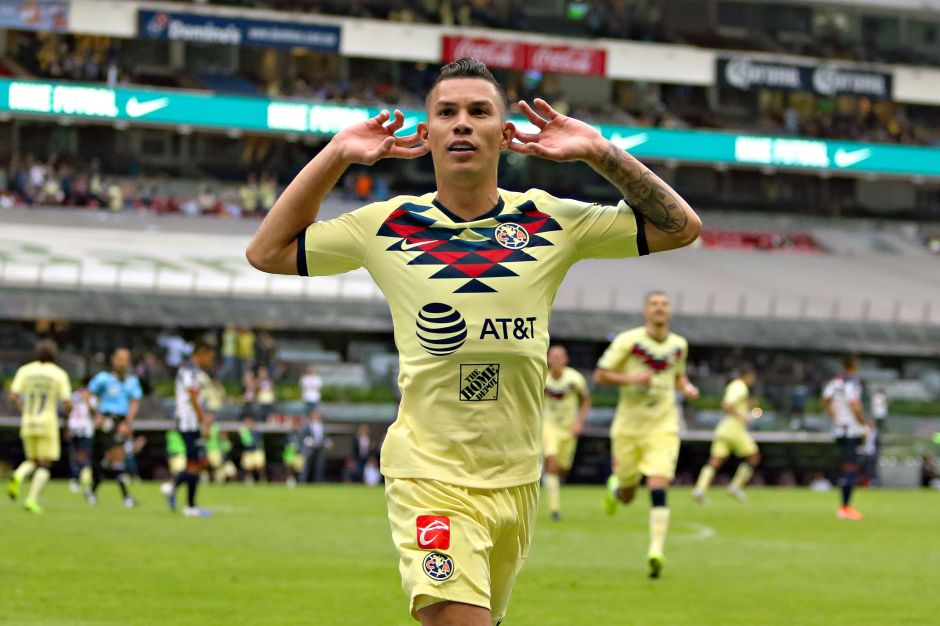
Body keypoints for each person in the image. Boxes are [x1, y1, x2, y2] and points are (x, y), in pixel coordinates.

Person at [245, 58, 700, 624]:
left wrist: (601, 153)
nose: (462, 123)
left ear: (505, 134)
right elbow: (267, 252)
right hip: (429, 474)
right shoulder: (384, 225)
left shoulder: (551, 220)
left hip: (515, 478)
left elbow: (681, 228)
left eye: (479, 111)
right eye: (447, 112)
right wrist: (336, 153)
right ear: (428, 132)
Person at [594, 291, 699, 579]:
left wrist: (686, 387)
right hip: (629, 426)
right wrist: (631, 378)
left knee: (658, 483)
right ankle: (617, 489)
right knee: (629, 493)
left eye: (664, 304)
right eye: (654, 304)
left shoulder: (679, 345)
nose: (659, 309)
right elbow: (601, 374)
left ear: (670, 311)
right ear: (645, 311)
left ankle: (656, 551)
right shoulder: (628, 341)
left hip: (663, 425)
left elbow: (678, 374)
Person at [6, 340, 72, 513]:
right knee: (44, 464)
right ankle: (31, 500)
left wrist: (23, 411)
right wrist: (67, 420)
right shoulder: (58, 374)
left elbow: (13, 396)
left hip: (28, 421)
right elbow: (67, 403)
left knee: (32, 460)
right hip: (47, 422)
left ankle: (19, 474)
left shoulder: (25, 370)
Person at [161, 341, 216, 517]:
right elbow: (193, 398)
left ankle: (176, 489)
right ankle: (186, 502)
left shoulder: (193, 370)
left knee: (199, 462)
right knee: (195, 462)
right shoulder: (190, 371)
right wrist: (204, 421)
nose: (211, 361)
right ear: (202, 353)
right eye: (210, 356)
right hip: (187, 422)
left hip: (190, 422)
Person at [693, 365, 760, 503]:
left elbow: (732, 403)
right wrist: (742, 416)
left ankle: (700, 489)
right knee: (754, 456)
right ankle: (735, 486)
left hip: (723, 429)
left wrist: (747, 406)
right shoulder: (740, 386)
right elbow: (727, 405)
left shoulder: (735, 386)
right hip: (734, 429)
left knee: (715, 460)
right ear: (747, 376)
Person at [88, 347, 142, 507]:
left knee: (113, 459)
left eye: (126, 359)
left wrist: (127, 422)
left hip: (121, 421)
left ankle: (93, 490)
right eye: (120, 358)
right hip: (107, 420)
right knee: (115, 456)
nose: (123, 362)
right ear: (113, 359)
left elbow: (134, 402)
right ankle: (125, 496)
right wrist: (95, 414)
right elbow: (88, 395)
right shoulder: (104, 379)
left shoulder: (132, 381)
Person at [542, 345, 590, 521]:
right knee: (551, 461)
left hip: (568, 429)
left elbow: (585, 401)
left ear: (565, 359)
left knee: (562, 468)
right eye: (552, 356)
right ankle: (555, 509)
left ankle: (554, 486)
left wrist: (579, 422)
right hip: (548, 426)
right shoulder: (542, 378)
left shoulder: (575, 379)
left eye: (559, 356)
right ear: (547, 359)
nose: (555, 360)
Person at [822, 356, 869, 520]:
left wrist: (833, 415)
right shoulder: (852, 382)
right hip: (850, 430)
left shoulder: (836, 382)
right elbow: (854, 404)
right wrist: (863, 424)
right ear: (855, 365)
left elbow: (825, 398)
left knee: (845, 468)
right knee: (851, 470)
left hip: (838, 430)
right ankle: (845, 508)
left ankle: (845, 506)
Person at [66, 377, 96, 502]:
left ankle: (83, 480)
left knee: (84, 456)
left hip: (86, 430)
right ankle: (75, 479)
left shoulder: (91, 398)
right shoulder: (74, 396)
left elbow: (93, 412)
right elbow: (68, 411)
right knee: (75, 455)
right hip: (76, 428)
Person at [239, 417, 266, 484]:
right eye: (247, 423)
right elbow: (246, 443)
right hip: (248, 452)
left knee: (260, 466)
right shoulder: (244, 433)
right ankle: (249, 479)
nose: (249, 425)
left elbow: (254, 442)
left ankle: (262, 479)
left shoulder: (257, 432)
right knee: (248, 467)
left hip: (256, 451)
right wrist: (243, 435)